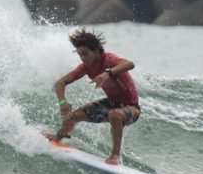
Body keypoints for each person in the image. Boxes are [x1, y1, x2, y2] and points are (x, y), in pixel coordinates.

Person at [48, 28, 140, 165]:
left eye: (85, 54)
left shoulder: (109, 60)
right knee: (72, 116)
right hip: (110, 103)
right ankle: (57, 138)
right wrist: (63, 102)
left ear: (96, 51)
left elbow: (129, 64)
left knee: (115, 114)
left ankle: (115, 156)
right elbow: (60, 83)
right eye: (80, 55)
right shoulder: (85, 67)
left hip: (131, 108)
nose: (83, 58)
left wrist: (107, 73)